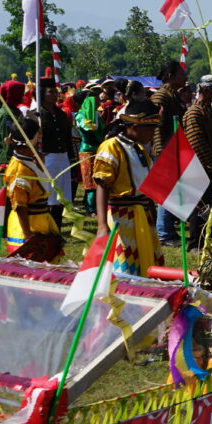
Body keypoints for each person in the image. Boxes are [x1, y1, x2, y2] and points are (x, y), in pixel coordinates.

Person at [93, 99, 163, 276]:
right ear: (136, 126)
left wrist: (151, 212)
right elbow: (102, 186)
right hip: (121, 218)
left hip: (143, 215)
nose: (153, 133)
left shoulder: (139, 149)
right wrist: (102, 226)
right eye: (151, 128)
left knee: (146, 264)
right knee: (124, 268)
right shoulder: (111, 147)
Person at [3, 118, 63, 263]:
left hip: (42, 220)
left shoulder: (29, 161)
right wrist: (28, 236)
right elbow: (20, 205)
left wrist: (40, 165)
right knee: (30, 271)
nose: (40, 138)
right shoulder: (19, 169)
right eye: (38, 135)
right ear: (32, 139)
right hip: (27, 226)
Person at [183, 75, 212, 250]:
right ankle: (196, 243)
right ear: (207, 90)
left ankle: (209, 240)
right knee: (200, 207)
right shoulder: (194, 113)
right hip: (201, 168)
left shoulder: (210, 110)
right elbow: (197, 143)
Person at [149, 61, 187, 245]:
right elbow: (156, 127)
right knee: (166, 192)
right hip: (164, 149)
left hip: (173, 147)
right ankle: (164, 233)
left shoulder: (172, 95)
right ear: (170, 76)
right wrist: (162, 151)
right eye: (181, 73)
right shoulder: (161, 97)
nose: (184, 76)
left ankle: (168, 230)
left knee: (173, 190)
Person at [37, 79, 73, 228]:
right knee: (49, 195)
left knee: (61, 196)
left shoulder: (61, 114)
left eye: (55, 92)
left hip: (62, 157)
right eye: (50, 92)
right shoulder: (37, 115)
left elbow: (66, 137)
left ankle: (57, 228)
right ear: (42, 94)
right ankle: (47, 228)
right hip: (47, 157)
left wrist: (71, 156)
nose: (54, 95)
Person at [76, 83, 104, 215]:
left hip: (98, 150)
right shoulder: (81, 116)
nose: (99, 101)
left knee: (99, 179)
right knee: (89, 181)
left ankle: (98, 206)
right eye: (96, 99)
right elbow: (88, 129)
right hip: (87, 151)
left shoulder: (97, 115)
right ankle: (90, 208)